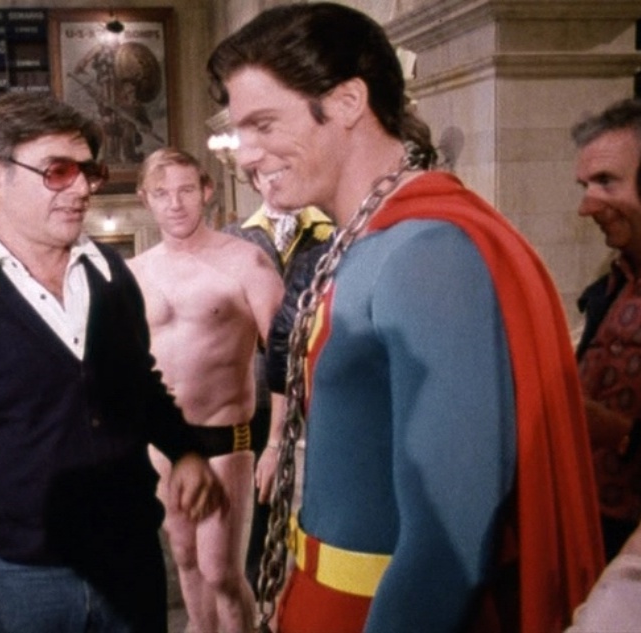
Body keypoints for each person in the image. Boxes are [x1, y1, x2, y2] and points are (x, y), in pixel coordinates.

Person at [207, 4, 604, 632]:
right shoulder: (365, 240)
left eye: (263, 123)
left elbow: (448, 539)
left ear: (347, 102)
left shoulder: (426, 252)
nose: (246, 154)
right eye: (240, 131)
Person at [0, 94, 229, 633]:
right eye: (57, 171)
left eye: (88, 171)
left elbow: (138, 384)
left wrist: (183, 449)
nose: (82, 188)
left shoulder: (110, 275)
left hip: (133, 563)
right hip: (20, 583)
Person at [128, 148, 285, 633]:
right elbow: (123, 365)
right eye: (162, 193)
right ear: (146, 199)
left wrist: (276, 443)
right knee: (185, 558)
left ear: (207, 191)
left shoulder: (245, 261)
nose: (175, 204)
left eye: (185, 191)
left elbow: (284, 358)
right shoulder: (134, 272)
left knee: (221, 571)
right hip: (162, 442)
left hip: (224, 435)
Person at [567, 94, 641, 633]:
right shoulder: (610, 284)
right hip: (592, 539)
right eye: (585, 185)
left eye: (606, 181)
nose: (587, 206)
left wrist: (622, 434)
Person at [222, 172, 333, 588]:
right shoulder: (235, 237)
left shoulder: (331, 228)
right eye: (264, 175)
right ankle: (259, 572)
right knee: (263, 486)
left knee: (323, 476)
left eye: (283, 172)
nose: (274, 182)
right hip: (260, 381)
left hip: (321, 375)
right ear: (253, 180)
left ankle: (314, 566)